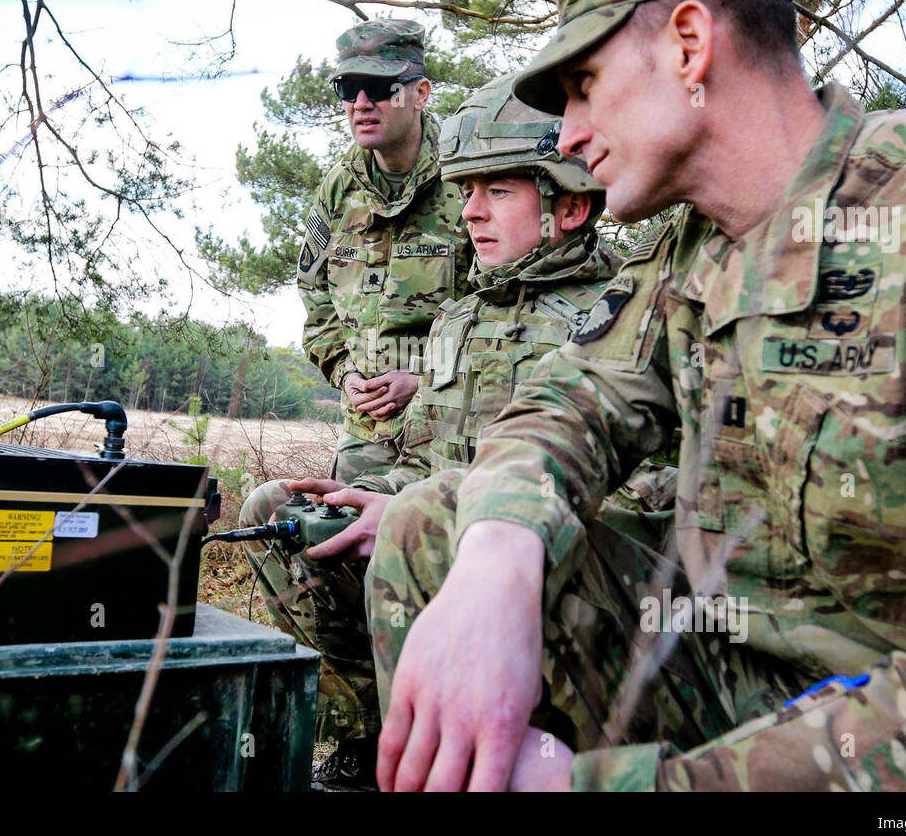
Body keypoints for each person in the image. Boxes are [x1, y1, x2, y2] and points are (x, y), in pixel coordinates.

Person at [368, 0, 906, 792]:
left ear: (690, 45)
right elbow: (567, 407)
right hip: (725, 661)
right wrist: (499, 557)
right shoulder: (693, 248)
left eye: (584, 87)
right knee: (436, 525)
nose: (569, 136)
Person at [241, 76, 675, 789]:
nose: (470, 212)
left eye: (497, 192)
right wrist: (364, 494)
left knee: (415, 523)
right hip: (435, 543)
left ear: (569, 206)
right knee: (278, 514)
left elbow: (639, 500)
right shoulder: (461, 319)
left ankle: (492, 750)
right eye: (466, 192)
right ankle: (389, 726)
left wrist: (438, 511)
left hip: (544, 576)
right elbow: (422, 455)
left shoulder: (617, 316)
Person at [298, 18, 472, 484]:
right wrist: (344, 372)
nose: (360, 104)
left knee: (432, 547)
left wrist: (426, 378)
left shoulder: (469, 175)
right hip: (366, 425)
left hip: (451, 422)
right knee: (338, 542)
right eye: (348, 88)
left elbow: (504, 303)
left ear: (420, 94)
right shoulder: (338, 189)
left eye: (378, 87)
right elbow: (313, 292)